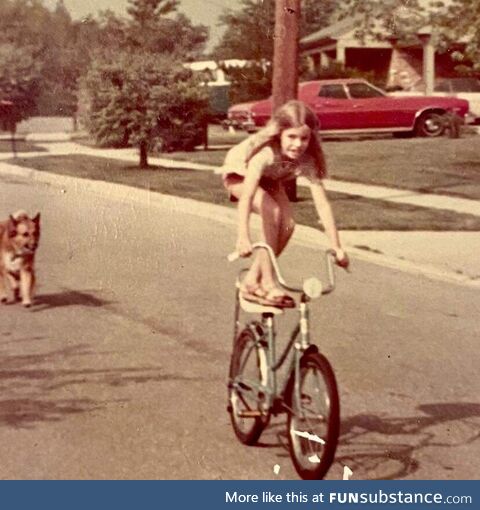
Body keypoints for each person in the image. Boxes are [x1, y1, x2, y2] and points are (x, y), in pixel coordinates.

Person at [221, 100, 349, 308]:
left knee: (288, 225)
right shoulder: (265, 153)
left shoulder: (307, 160)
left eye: (304, 138)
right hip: (240, 175)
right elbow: (246, 197)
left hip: (271, 179)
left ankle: (251, 281)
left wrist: (337, 247)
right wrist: (243, 237)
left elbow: (323, 205)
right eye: (291, 137)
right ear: (279, 133)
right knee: (272, 212)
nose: (298, 144)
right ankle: (268, 283)